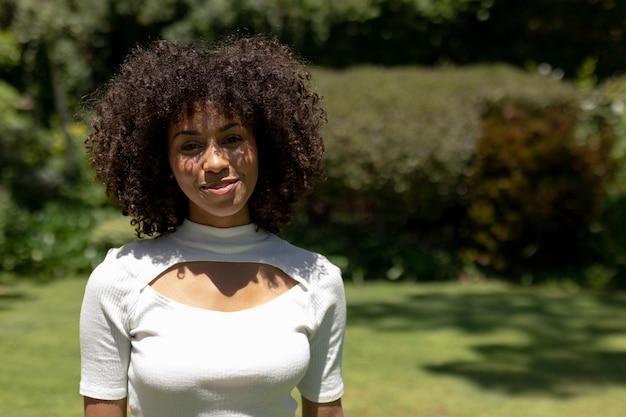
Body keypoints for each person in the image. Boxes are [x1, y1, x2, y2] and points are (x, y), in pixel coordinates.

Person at [79, 34, 346, 417]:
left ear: (265, 147)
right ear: (163, 166)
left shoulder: (318, 280)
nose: (216, 161)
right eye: (190, 146)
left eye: (232, 138)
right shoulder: (119, 280)